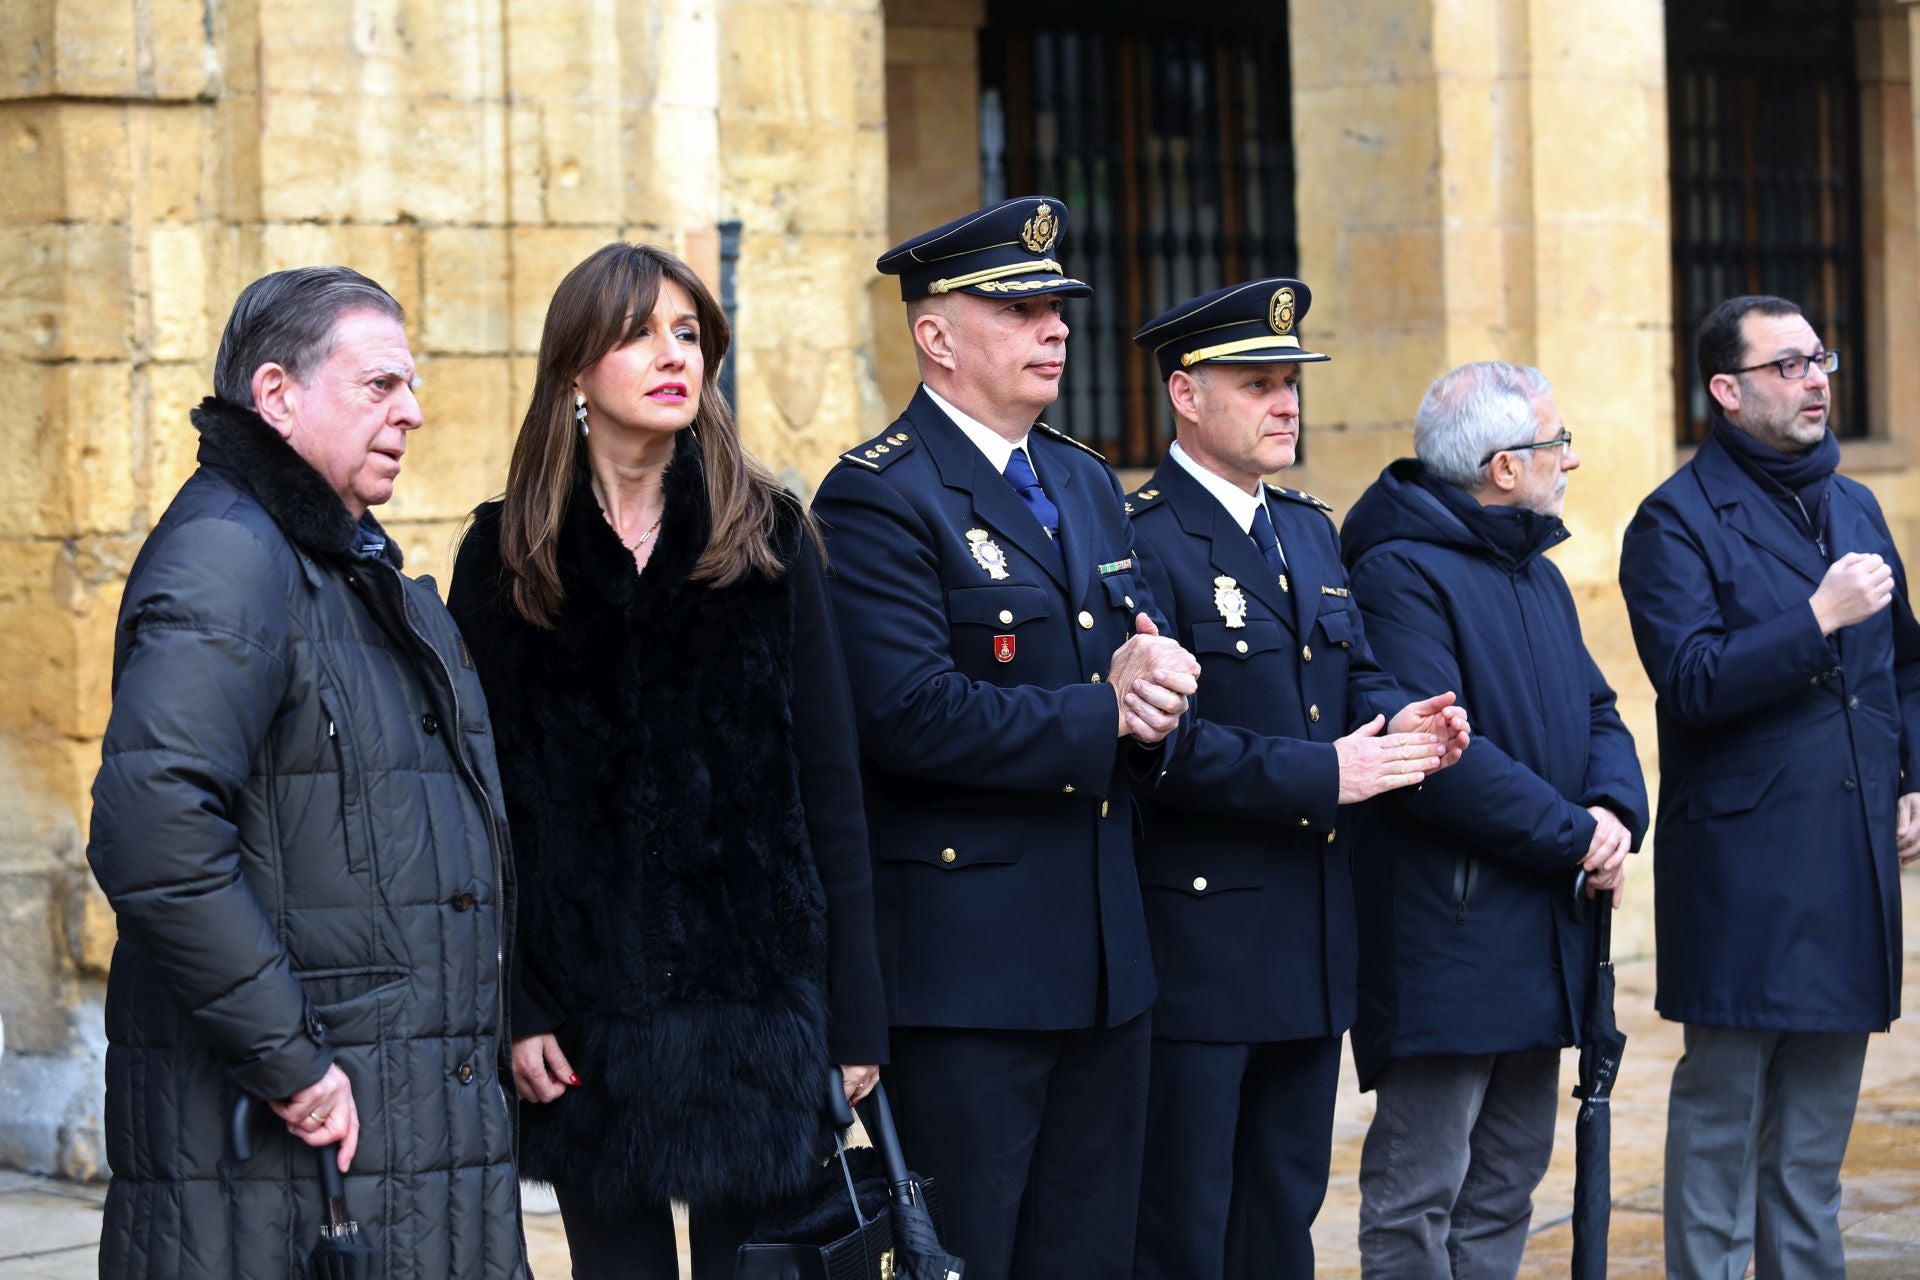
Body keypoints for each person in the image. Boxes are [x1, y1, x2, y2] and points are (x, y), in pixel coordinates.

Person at [447, 242, 888, 1280]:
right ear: (574, 371)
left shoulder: (768, 537)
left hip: (755, 1008)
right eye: (638, 332)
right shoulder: (508, 554)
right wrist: (518, 1003)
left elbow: (831, 788)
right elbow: (481, 804)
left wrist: (854, 1012)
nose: (671, 354)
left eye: (687, 333)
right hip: (585, 1020)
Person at [85, 267, 527, 1278]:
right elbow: (153, 827)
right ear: (278, 393)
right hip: (286, 1159)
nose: (411, 413)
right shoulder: (228, 557)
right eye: (379, 386)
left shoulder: (337, 560)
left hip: (399, 1141)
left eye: (409, 387)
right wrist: (291, 1061)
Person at [810, 196, 1201, 1280]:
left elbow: (1130, 661)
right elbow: (907, 714)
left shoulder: (1080, 476)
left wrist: (1159, 706)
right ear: (936, 337)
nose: (1057, 328)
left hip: (1104, 962)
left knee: (1089, 1256)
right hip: (970, 973)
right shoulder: (880, 496)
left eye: (1059, 308)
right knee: (970, 1254)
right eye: (1021, 307)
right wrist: (1106, 706)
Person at [1121, 278, 1470, 1279]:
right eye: (1260, 383)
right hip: (1201, 943)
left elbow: (1347, 675)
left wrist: (1400, 719)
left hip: (1310, 940)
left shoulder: (1310, 528)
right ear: (1186, 395)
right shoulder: (1138, 537)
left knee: (1283, 1213)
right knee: (1186, 1222)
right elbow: (1160, 746)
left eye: (1293, 382)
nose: (1288, 403)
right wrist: (1330, 770)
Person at [1620, 295, 1920, 1280]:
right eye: (1789, 365)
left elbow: (1906, 668)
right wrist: (1817, 617)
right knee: (1723, 1123)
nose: (1819, 379)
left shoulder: (1857, 503)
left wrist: (1913, 775)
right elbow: (1695, 680)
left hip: (1851, 853)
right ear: (1727, 388)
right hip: (1747, 870)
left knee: (1813, 1148)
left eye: (1820, 358)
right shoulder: (1674, 520)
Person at [1341, 360, 1649, 1279]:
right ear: (1503, 466)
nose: (1575, 459)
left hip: (1538, 932)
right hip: (1450, 937)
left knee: (1506, 1185)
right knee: (1418, 1197)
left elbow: (1600, 711)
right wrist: (1575, 836)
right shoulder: (1398, 575)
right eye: (1560, 443)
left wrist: (1613, 811)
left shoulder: (1534, 573)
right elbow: (1440, 757)